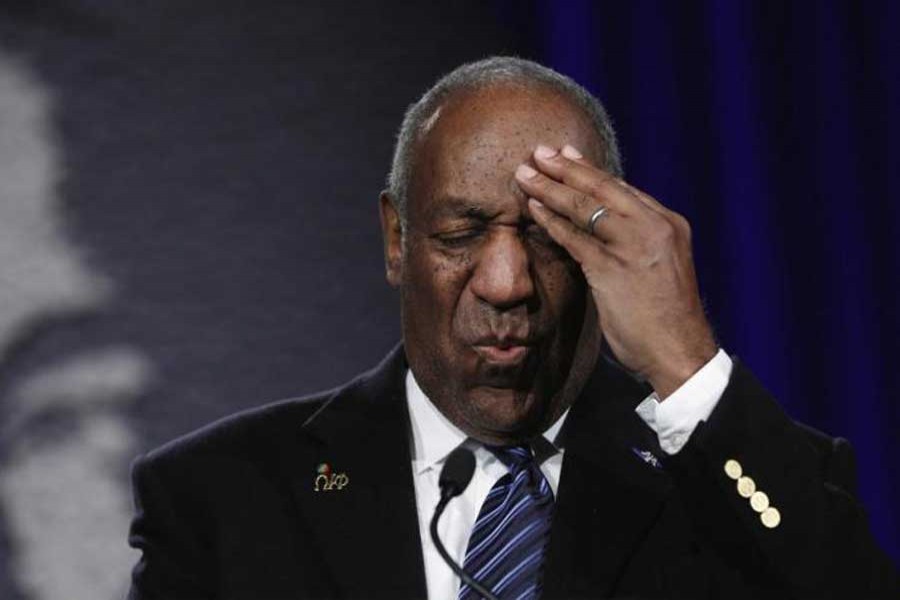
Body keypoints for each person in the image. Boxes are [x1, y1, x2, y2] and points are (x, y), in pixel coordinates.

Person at [126, 56, 899, 599]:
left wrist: (687, 363)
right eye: (460, 234)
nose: (506, 283)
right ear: (397, 239)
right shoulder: (220, 500)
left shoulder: (729, 489)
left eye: (546, 234)